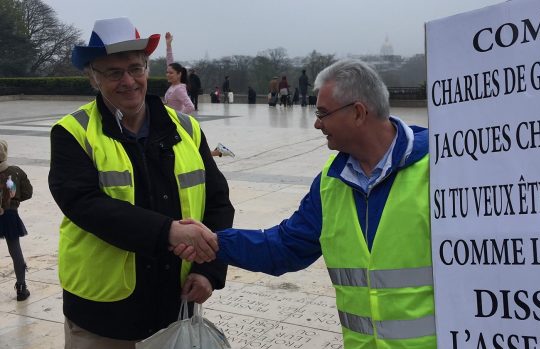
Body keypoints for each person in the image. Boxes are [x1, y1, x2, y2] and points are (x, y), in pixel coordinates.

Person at [175, 59, 435, 348]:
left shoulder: (439, 170)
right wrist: (215, 242)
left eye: (323, 113)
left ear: (359, 113)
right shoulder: (331, 181)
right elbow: (285, 247)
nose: (316, 123)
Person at [49, 17, 234, 347]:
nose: (128, 81)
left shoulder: (186, 129)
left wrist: (209, 271)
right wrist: (168, 231)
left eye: (135, 68)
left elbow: (218, 202)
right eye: (113, 72)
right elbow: (85, 205)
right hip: (103, 316)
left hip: (173, 305)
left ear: (148, 70)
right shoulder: (72, 132)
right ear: (94, 78)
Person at [0, 139, 33, 302]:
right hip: (10, 215)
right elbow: (28, 193)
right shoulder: (16, 172)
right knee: (15, 251)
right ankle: (21, 287)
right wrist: (14, 200)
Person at [164, 32, 195, 114]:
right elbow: (169, 62)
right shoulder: (174, 86)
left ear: (179, 74)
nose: (168, 75)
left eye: (171, 73)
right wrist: (168, 45)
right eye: (167, 72)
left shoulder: (179, 89)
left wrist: (178, 118)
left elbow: (190, 107)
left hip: (174, 123)